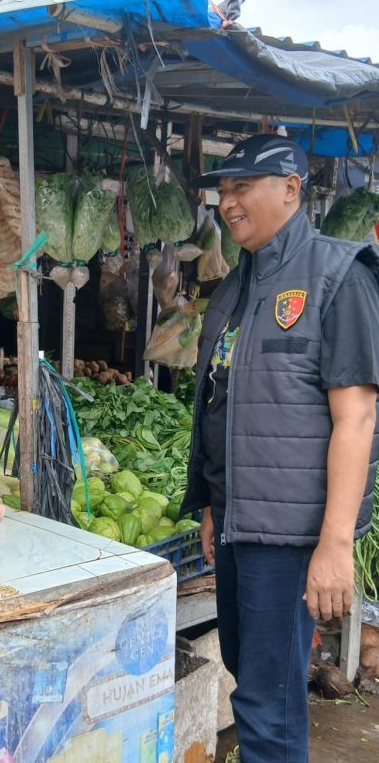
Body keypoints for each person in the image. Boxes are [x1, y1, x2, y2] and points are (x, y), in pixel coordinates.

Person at [181, 134, 379, 763]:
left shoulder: (339, 276)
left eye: (242, 187)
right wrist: (212, 503)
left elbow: (357, 419)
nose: (227, 203)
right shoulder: (235, 288)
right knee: (251, 674)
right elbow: (220, 405)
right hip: (241, 523)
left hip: (291, 535)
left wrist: (335, 545)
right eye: (223, 191)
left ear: (291, 189)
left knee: (270, 706)